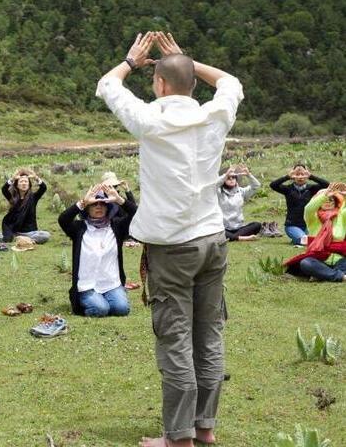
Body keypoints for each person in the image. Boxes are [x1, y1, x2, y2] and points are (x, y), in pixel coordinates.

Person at [97, 31, 243, 447]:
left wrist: (131, 60)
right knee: (209, 333)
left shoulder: (150, 119)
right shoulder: (216, 115)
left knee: (175, 336)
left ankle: (178, 437)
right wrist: (184, 59)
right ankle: (205, 427)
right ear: (193, 84)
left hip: (171, 247)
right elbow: (231, 82)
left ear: (159, 85)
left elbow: (108, 85)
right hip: (213, 237)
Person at [58, 183, 137, 317]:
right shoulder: (79, 228)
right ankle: (89, 302)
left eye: (102, 203)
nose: (99, 206)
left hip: (111, 283)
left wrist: (119, 200)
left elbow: (136, 213)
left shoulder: (117, 226)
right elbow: (63, 220)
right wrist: (82, 202)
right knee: (101, 309)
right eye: (94, 204)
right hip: (87, 284)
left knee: (122, 309)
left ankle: (108, 298)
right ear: (87, 209)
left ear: (107, 208)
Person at [284, 183, 346, 282]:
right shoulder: (313, 218)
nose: (328, 201)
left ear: (335, 202)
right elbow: (308, 208)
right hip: (318, 259)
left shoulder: (341, 217)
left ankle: (323, 275)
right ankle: (340, 276)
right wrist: (325, 194)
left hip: (340, 258)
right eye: (324, 200)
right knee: (306, 263)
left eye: (331, 199)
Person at [270, 165, 329, 245]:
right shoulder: (288, 189)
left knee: (315, 240)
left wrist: (311, 176)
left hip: (309, 225)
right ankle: (298, 238)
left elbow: (327, 185)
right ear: (293, 176)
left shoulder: (312, 188)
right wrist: (287, 176)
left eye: (302, 174)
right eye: (297, 174)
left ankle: (297, 239)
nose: (300, 177)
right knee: (307, 241)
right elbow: (273, 185)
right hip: (292, 225)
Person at [0, 168, 50, 244]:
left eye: (26, 181)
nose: (24, 183)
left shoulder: (33, 197)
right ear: (17, 185)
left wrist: (36, 178)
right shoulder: (12, 198)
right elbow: (4, 189)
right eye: (21, 181)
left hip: (30, 233)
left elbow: (43, 188)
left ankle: (22, 239)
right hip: (15, 232)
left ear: (29, 185)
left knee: (46, 235)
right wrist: (12, 179)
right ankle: (23, 240)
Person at [216, 165, 262, 241]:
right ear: (224, 180)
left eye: (233, 177)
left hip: (239, 227)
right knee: (215, 231)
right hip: (223, 227)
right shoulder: (218, 192)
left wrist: (249, 175)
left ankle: (232, 237)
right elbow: (214, 185)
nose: (231, 179)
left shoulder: (241, 191)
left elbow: (256, 186)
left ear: (236, 179)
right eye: (228, 178)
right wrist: (226, 174)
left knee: (257, 225)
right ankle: (239, 238)